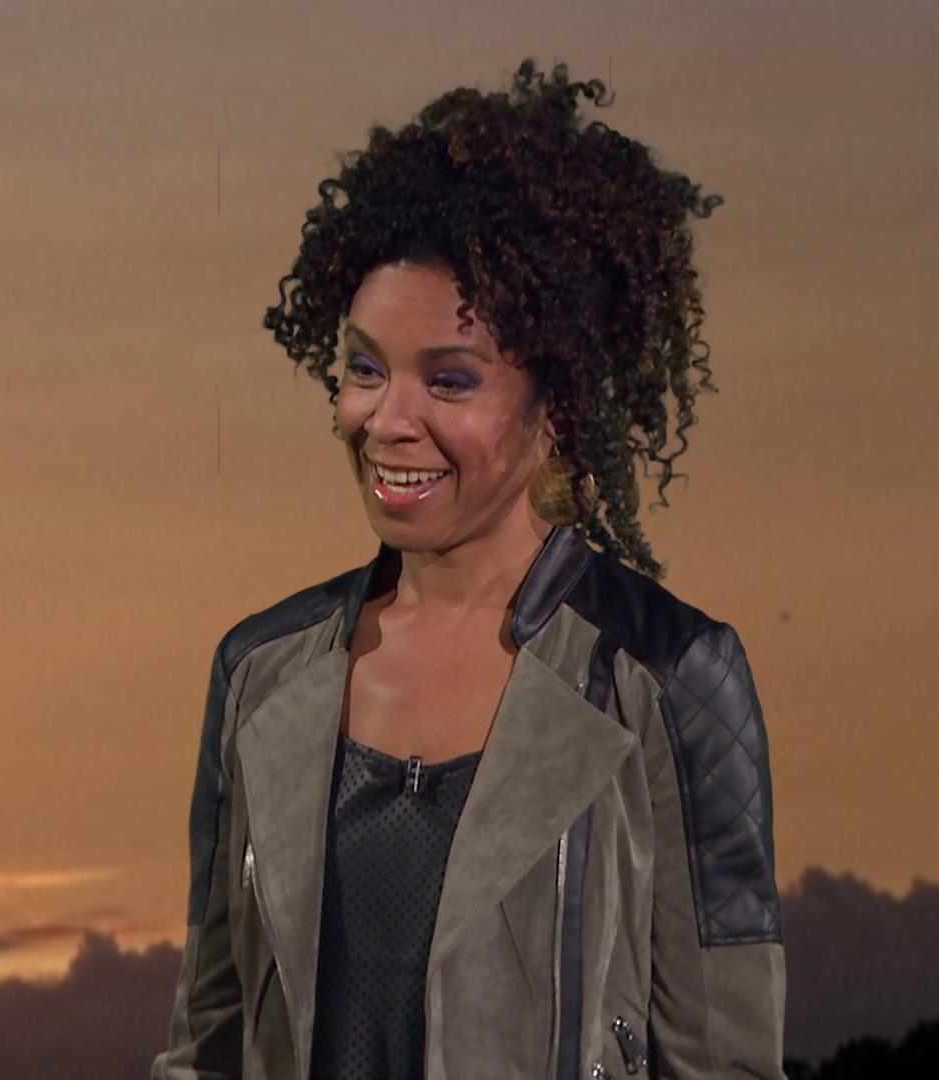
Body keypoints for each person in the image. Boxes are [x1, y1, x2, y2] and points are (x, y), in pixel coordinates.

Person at [151, 59, 786, 1080]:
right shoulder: (260, 674)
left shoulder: (673, 678)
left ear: (557, 404)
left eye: (449, 380)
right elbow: (208, 1045)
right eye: (364, 369)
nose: (388, 421)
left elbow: (723, 1064)